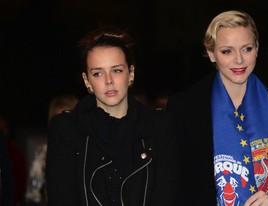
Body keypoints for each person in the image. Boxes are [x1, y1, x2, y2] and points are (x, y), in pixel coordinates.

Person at [166, 10, 268, 206]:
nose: (239, 60)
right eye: (227, 51)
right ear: (211, 53)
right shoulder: (184, 108)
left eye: (246, 49)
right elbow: (178, 186)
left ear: (257, 48)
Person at [46, 26, 177, 206]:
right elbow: (62, 198)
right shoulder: (67, 130)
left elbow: (166, 197)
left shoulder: (159, 126)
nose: (108, 81)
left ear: (131, 74)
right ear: (87, 81)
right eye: (98, 73)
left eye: (116, 70)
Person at [24, 94, 78, 206]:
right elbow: (33, 194)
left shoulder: (88, 148)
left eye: (67, 117)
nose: (62, 124)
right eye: (56, 118)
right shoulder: (44, 151)